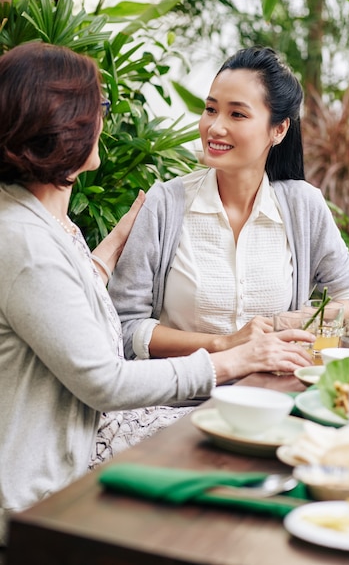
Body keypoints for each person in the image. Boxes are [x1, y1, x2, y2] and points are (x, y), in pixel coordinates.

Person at [0, 42, 314, 545]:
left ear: (279, 130)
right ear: (60, 125)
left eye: (236, 113)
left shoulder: (45, 225)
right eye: (98, 107)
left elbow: (55, 301)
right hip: (42, 492)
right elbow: (105, 379)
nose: (104, 118)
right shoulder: (27, 240)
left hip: (83, 448)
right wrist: (229, 356)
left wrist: (98, 263)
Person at [109, 46, 349, 362]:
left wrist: (284, 324)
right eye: (211, 110)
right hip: (177, 401)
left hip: (272, 394)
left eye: (237, 114)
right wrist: (223, 343)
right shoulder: (164, 204)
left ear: (279, 129)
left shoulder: (302, 205)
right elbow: (124, 326)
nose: (215, 127)